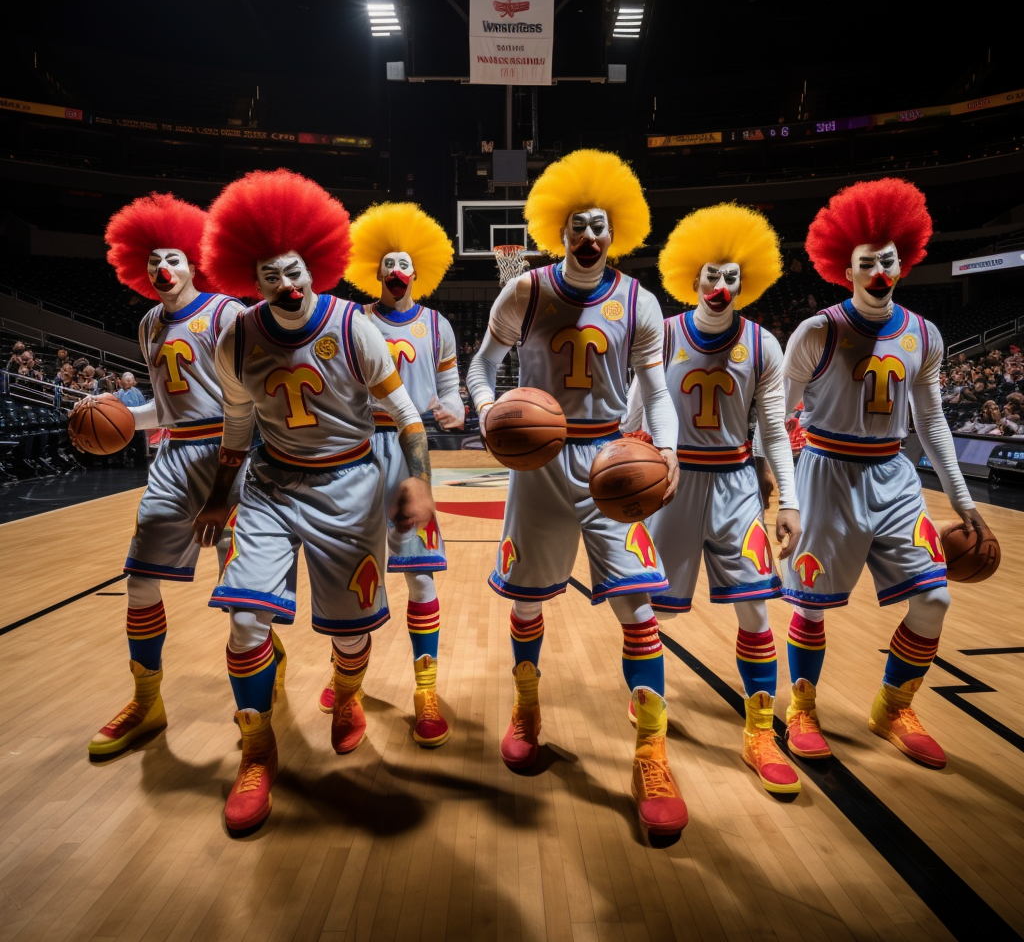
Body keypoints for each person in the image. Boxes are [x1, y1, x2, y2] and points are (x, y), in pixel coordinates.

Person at [192, 170, 437, 833]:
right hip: (270, 486)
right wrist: (219, 496)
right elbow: (236, 428)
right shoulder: (235, 339)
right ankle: (256, 748)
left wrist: (419, 480)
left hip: (350, 488)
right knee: (245, 623)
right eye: (271, 275)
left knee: (351, 634)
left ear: (314, 264)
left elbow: (409, 419)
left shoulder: (355, 327)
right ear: (253, 280)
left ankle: (349, 695)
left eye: (294, 269)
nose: (286, 283)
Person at [467, 149, 686, 841]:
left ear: (614, 231)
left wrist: (670, 450)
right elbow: (482, 366)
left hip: (612, 461)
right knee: (529, 598)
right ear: (557, 232)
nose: (589, 236)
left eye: (600, 225)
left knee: (638, 605)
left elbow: (656, 389)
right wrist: (486, 411)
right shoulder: (524, 291)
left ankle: (651, 750)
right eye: (576, 226)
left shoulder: (640, 300)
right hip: (539, 460)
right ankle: (526, 707)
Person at [781, 178, 992, 769]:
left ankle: (893, 704)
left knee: (935, 599)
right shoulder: (817, 330)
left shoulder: (924, 334)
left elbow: (932, 422)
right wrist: (772, 485)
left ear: (906, 260)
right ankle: (802, 705)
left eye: (888, 260)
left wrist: (964, 502)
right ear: (844, 269)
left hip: (894, 475)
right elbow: (777, 412)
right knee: (813, 605)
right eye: (866, 263)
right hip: (826, 471)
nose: (879, 271)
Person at [623, 203, 802, 797]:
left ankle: (759, 733)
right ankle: (649, 731)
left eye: (731, 277)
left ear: (744, 281)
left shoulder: (764, 344)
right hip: (670, 486)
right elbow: (631, 417)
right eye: (711, 276)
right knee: (658, 614)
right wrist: (618, 472)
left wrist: (791, 504)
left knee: (756, 607)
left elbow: (774, 430)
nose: (721, 286)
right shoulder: (664, 333)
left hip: (734, 485)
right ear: (691, 279)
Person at [80, 192, 264, 757]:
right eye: (155, 260)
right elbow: (165, 406)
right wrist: (113, 420)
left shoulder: (227, 313)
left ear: (195, 263)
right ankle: (148, 700)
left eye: (175, 259)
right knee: (138, 582)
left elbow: (255, 396)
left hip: (232, 457)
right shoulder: (146, 325)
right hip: (173, 457)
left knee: (241, 602)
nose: (163, 269)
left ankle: (257, 718)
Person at [313, 202, 462, 747]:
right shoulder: (352, 320)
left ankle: (426, 689)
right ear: (375, 273)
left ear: (417, 272)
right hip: (354, 451)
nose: (397, 272)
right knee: (350, 574)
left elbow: (449, 392)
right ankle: (345, 678)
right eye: (388, 264)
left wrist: (458, 411)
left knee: (418, 574)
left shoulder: (438, 326)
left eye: (406, 264)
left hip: (410, 446)